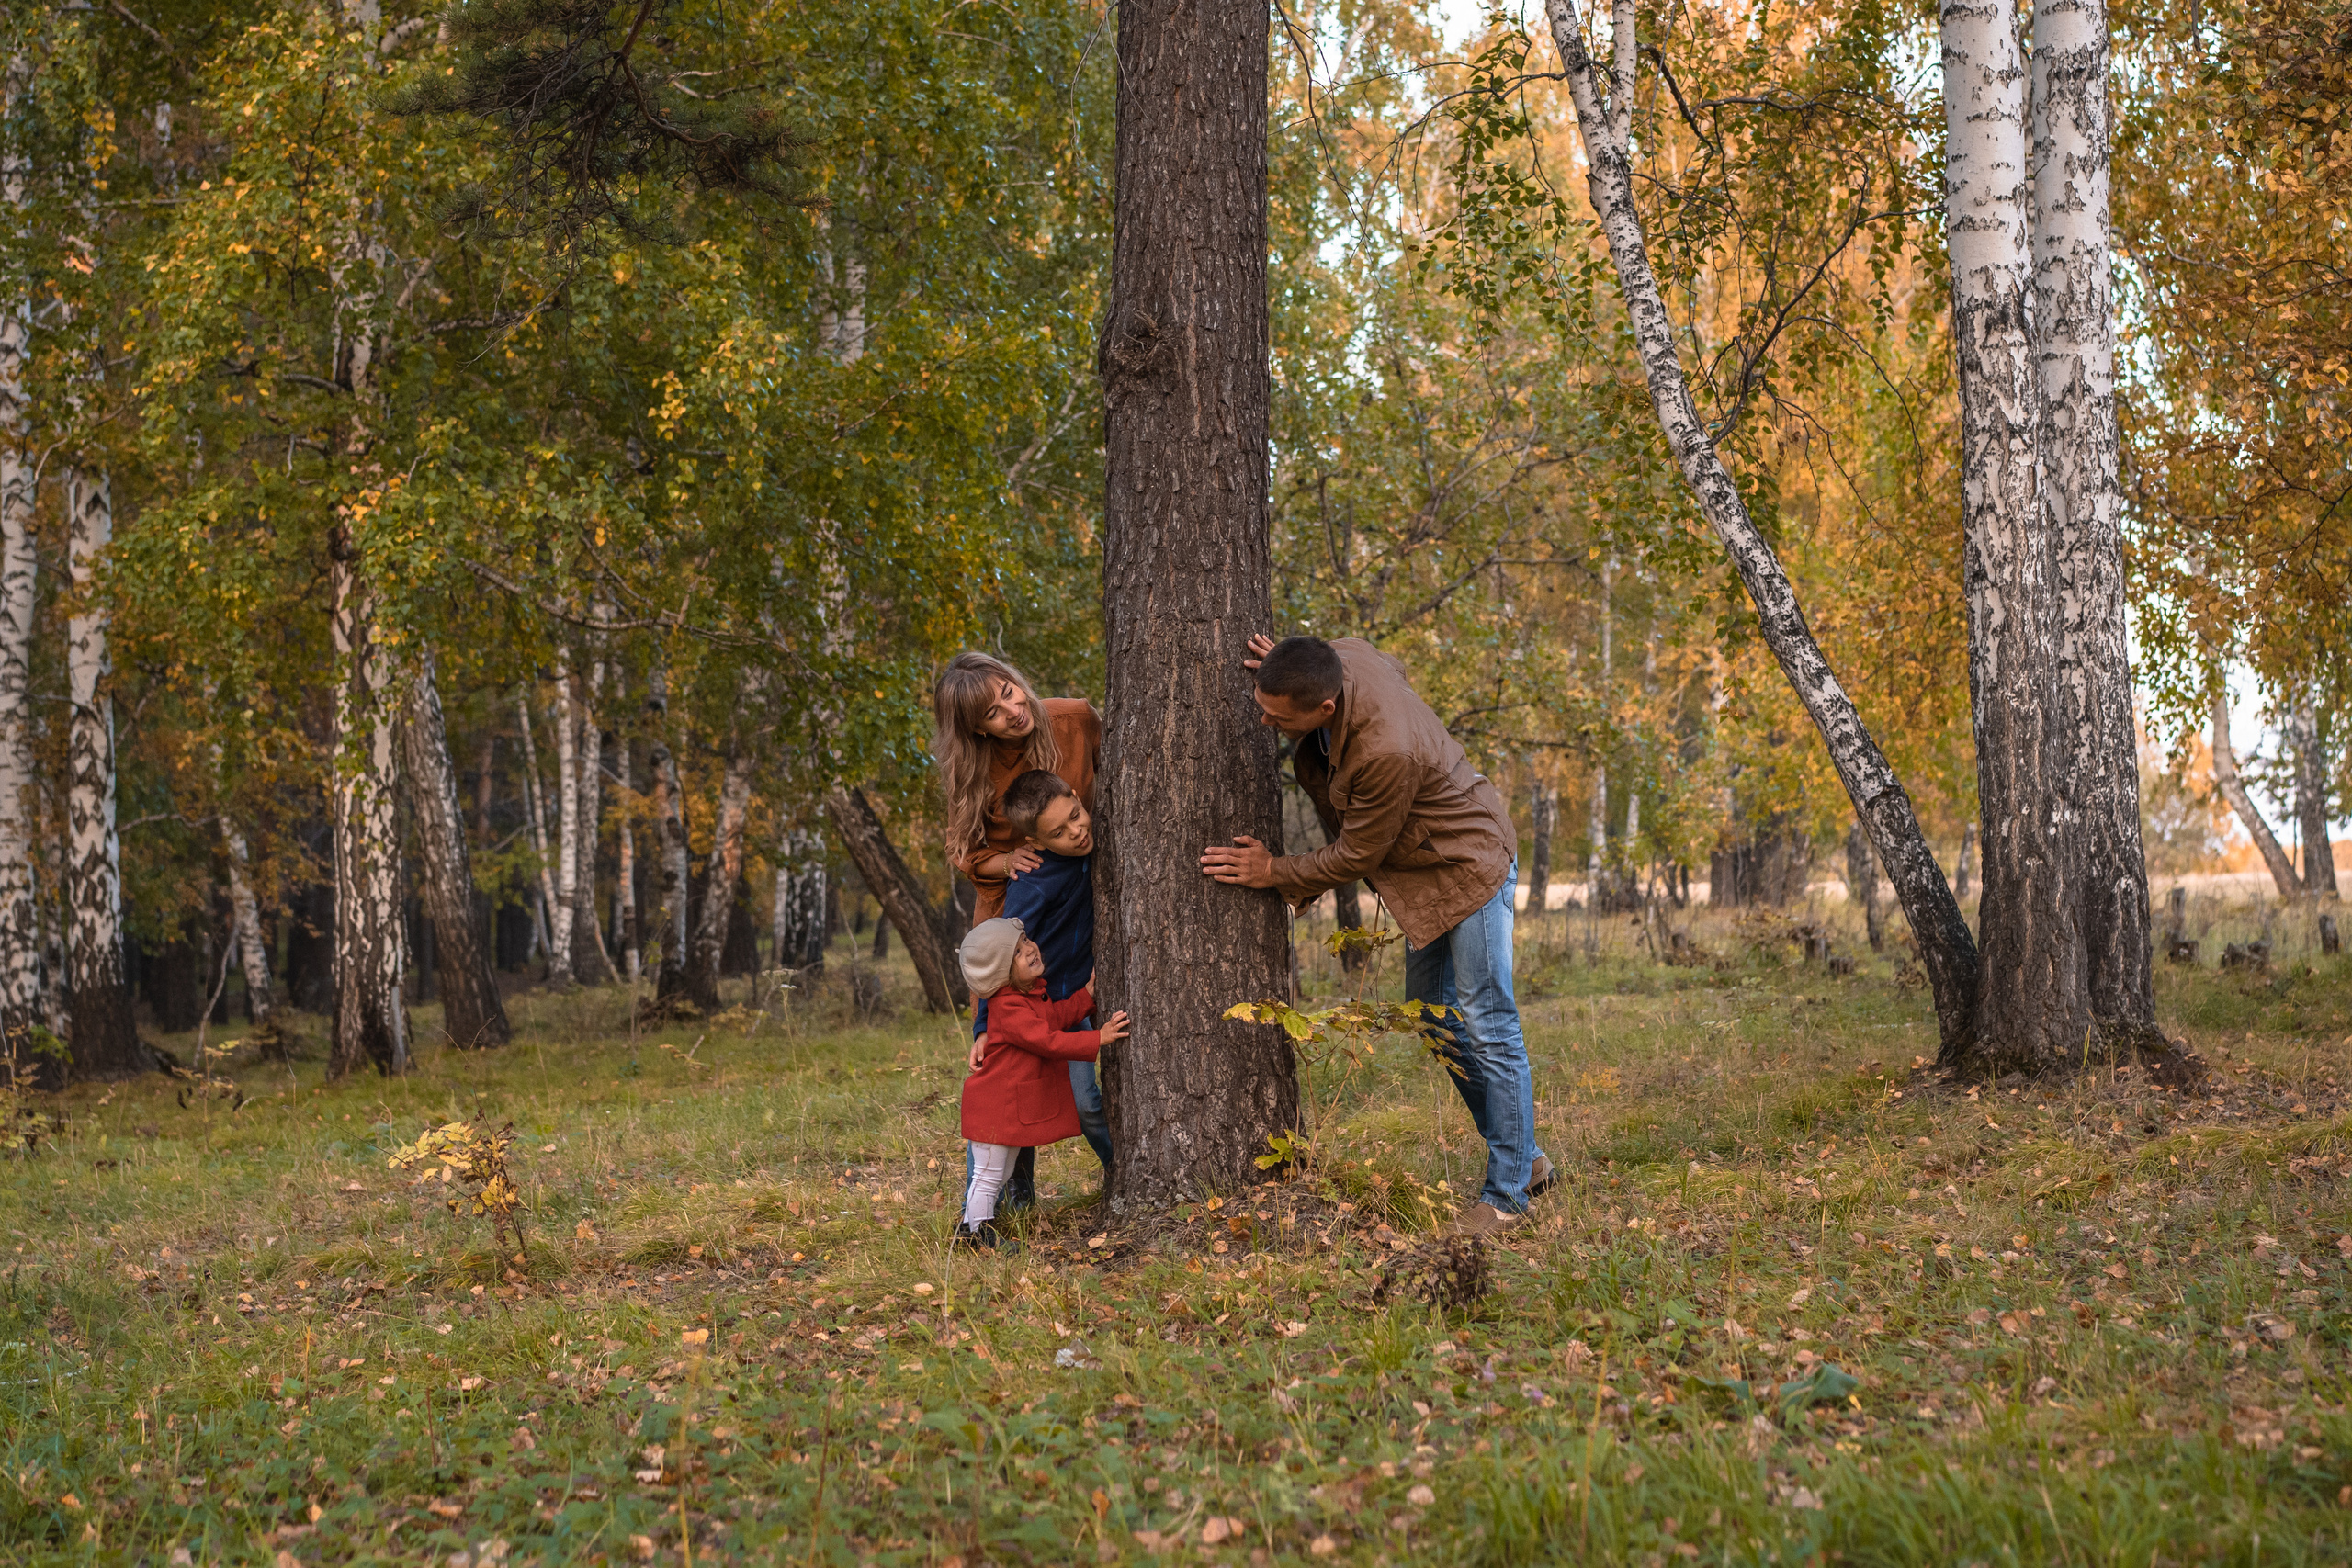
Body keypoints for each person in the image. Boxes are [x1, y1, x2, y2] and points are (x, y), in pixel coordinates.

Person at [1200, 634, 1554, 1235]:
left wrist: (1275, 871)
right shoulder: (1343, 659)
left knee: (1488, 1020)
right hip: (1426, 871)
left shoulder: (1386, 750)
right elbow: (1355, 656)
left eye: (1280, 715)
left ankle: (1508, 1197)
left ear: (1326, 708)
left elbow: (1358, 851)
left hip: (1470, 863)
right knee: (1434, 1019)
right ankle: (1525, 1158)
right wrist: (1285, 664)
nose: (1265, 719)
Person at [967, 770, 1114, 1177]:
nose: (1077, 831)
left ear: (1076, 796)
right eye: (1059, 832)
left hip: (1075, 1004)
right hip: (1033, 1011)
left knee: (1087, 1104)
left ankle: (1123, 1172)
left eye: (1075, 813)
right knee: (1008, 1104)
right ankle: (997, 1203)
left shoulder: (1101, 842)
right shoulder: (1032, 883)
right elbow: (999, 958)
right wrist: (984, 1027)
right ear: (1034, 843)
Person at [955, 918, 1129, 1249]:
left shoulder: (1025, 996)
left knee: (1000, 1172)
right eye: (1018, 953)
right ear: (1002, 973)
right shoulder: (1008, 1007)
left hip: (1006, 1105)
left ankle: (978, 1226)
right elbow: (1049, 1040)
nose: (1030, 949)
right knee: (989, 1174)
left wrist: (1085, 997)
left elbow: (1053, 1017)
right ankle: (974, 1231)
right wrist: (1097, 1038)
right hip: (997, 1106)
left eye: (1025, 941)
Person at [931, 652, 1101, 924]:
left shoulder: (1076, 719)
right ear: (977, 728)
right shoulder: (973, 771)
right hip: (1019, 905)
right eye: (992, 713)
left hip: (1089, 888)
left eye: (1009, 693)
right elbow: (964, 852)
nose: (1013, 712)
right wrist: (1009, 861)